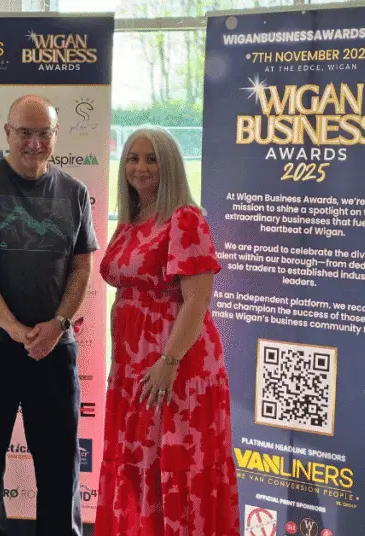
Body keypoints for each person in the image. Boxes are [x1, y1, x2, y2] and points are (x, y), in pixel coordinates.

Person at [0, 94, 98, 536]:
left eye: (43, 133)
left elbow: (82, 265)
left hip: (53, 350)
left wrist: (59, 324)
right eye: (24, 133)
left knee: (59, 466)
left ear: (55, 135)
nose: (34, 143)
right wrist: (14, 328)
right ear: (7, 134)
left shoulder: (73, 191)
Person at [94, 126, 240, 535]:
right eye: (133, 159)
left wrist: (169, 362)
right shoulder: (133, 218)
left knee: (174, 463)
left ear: (170, 165)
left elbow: (196, 301)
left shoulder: (184, 219)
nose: (140, 168)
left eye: (151, 159)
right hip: (132, 367)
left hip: (176, 365)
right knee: (139, 466)